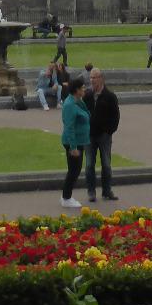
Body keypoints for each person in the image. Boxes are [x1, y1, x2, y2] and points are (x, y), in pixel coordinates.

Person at [84, 67, 120, 202]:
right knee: (89, 165)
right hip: (89, 136)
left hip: (104, 136)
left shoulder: (110, 96)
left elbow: (115, 116)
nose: (92, 80)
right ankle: (91, 192)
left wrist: (109, 131)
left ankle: (107, 190)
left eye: (94, 77)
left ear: (101, 78)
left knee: (106, 164)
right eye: (91, 77)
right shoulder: (87, 95)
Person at [59, 76, 90, 208]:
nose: (85, 89)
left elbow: (86, 113)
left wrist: (81, 101)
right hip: (74, 142)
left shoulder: (76, 101)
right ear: (76, 90)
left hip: (79, 141)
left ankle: (66, 196)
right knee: (74, 170)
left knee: (75, 170)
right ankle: (66, 197)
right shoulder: (70, 104)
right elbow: (69, 126)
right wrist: (73, 147)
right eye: (82, 87)